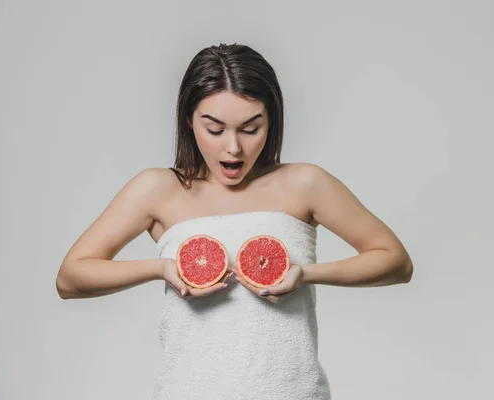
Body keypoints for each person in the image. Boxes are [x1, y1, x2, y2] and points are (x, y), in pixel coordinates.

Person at [55, 42, 413, 399]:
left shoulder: (305, 184)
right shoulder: (159, 189)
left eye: (250, 128)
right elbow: (71, 278)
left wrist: (304, 274)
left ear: (271, 122)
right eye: (215, 129)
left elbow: (395, 261)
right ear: (189, 122)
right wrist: (162, 268)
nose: (233, 148)